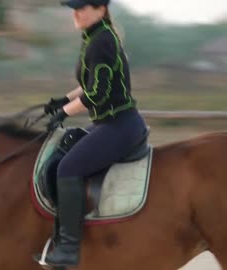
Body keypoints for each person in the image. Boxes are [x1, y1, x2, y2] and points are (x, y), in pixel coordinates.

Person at [43, 0, 148, 267]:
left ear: (101, 9)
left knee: (68, 168)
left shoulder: (101, 40)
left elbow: (97, 94)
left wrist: (64, 112)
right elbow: (88, 85)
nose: (75, 13)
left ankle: (68, 248)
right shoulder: (95, 36)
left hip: (119, 125)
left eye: (82, 7)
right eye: (73, 8)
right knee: (62, 151)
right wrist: (62, 100)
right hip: (109, 124)